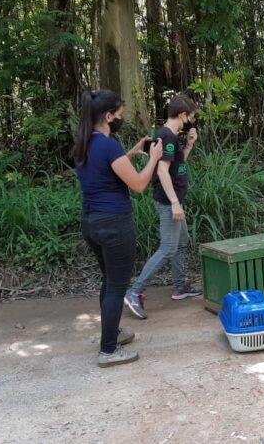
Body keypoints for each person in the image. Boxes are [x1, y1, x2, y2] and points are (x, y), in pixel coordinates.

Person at [73, 89, 163, 367]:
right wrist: (153, 158)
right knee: (116, 286)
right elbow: (137, 185)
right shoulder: (108, 146)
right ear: (108, 116)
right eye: (120, 114)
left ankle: (111, 333)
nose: (121, 118)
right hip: (114, 224)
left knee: (109, 281)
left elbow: (106, 169)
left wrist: (134, 152)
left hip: (91, 222)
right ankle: (108, 350)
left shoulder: (85, 142)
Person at [123, 94, 201, 319]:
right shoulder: (166, 136)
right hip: (169, 202)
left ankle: (179, 287)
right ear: (182, 114)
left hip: (174, 200)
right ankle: (134, 292)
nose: (191, 120)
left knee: (182, 241)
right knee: (168, 247)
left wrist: (189, 145)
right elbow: (161, 171)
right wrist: (175, 203)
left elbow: (178, 164)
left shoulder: (170, 136)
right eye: (191, 116)